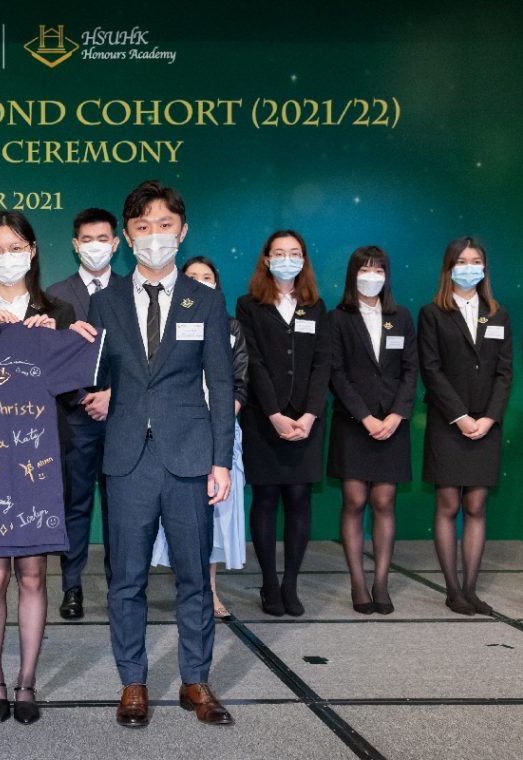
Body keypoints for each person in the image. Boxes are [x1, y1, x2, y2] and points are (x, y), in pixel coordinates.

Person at [80, 179, 235, 729]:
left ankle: (196, 679)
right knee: (127, 578)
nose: (154, 236)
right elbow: (89, 380)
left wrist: (222, 460)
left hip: (191, 456)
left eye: (164, 226)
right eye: (143, 227)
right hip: (126, 458)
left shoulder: (207, 300)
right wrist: (74, 356)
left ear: (182, 231)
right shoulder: (104, 301)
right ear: (126, 237)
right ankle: (133, 683)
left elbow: (220, 382)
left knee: (194, 575)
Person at [0, 210, 74, 725]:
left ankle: (27, 682)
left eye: (14, 247)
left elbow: (77, 388)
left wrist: (55, 340)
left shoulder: (60, 309)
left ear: (32, 250)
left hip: (39, 460)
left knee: (33, 575)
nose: (6, 257)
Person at [236, 230, 329, 618]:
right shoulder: (249, 305)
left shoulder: (316, 306)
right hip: (264, 418)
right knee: (267, 497)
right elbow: (252, 362)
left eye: (294, 253)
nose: (287, 259)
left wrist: (308, 414)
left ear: (304, 260)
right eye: (279, 253)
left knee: (299, 499)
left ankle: (291, 584)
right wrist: (275, 414)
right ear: (266, 259)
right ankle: (269, 584)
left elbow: (323, 363)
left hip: (306, 419)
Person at [418, 237, 512, 616]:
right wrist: (460, 416)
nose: (469, 267)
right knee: (448, 501)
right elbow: (431, 369)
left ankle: (471, 588)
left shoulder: (497, 313)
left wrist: (489, 418)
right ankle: (453, 589)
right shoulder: (432, 313)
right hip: (448, 421)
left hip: (487, 422)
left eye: (476, 261)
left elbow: (505, 372)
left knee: (476, 503)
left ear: (485, 268)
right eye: (462, 260)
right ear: (449, 267)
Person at [150, 256, 248, 619]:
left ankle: (210, 590)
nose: (201, 283)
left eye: (208, 277)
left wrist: (218, 422)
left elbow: (239, 382)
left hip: (221, 430)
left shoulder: (231, 325)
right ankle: (188, 587)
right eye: (193, 277)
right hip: (176, 432)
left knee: (217, 515)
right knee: (179, 514)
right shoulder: (162, 321)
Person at [327, 247, 417, 615]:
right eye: (365, 269)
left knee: (384, 501)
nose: (372, 275)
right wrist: (365, 417)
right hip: (354, 423)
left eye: (378, 269)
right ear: (353, 275)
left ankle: (381, 583)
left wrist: (397, 414)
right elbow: (336, 373)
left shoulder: (402, 317)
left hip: (392, 424)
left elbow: (411, 371)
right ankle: (358, 584)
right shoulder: (338, 318)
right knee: (355, 501)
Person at [45, 208, 124, 620]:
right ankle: (71, 587)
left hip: (123, 416)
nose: (96, 246)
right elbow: (47, 360)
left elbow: (144, 359)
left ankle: (120, 588)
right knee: (74, 505)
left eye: (103, 239)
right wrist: (84, 396)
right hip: (75, 418)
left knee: (122, 507)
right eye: (87, 239)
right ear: (76, 244)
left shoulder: (132, 290)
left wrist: (113, 394)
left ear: (116, 243)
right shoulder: (55, 295)